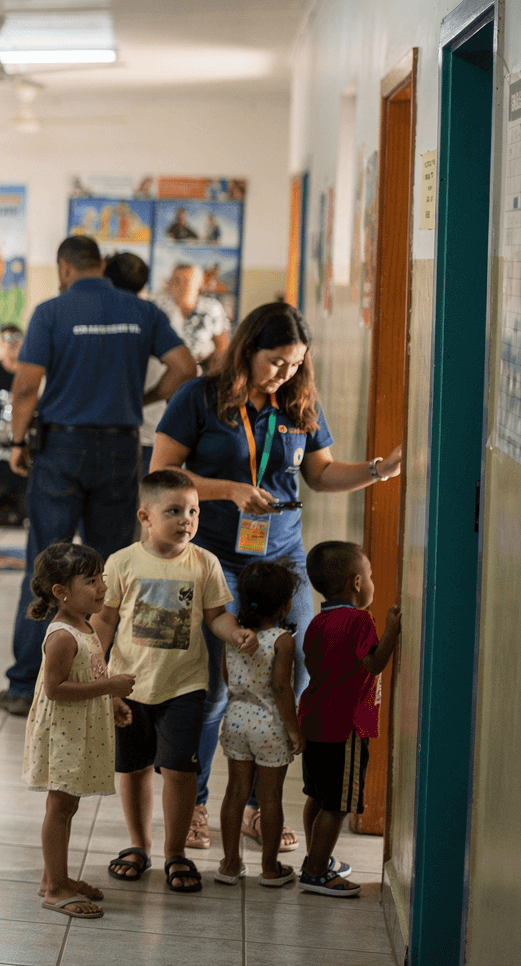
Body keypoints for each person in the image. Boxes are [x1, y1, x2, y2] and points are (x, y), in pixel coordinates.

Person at [152, 301, 403, 854]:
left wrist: (380, 470)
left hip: (283, 560)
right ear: (247, 352)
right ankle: (193, 804)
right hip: (218, 558)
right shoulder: (199, 397)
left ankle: (254, 806)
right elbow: (163, 473)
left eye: (295, 364)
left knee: (296, 680)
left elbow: (320, 473)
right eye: (275, 362)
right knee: (215, 688)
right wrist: (228, 489)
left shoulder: (298, 402)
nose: (284, 374)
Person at [0, 235, 197, 717]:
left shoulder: (50, 312)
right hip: (118, 447)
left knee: (46, 567)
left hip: (61, 448)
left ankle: (27, 686)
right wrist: (144, 399)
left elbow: (26, 385)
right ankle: (101, 684)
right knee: (108, 573)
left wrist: (17, 441)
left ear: (64, 267)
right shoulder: (142, 312)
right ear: (102, 264)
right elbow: (185, 368)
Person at [100, 468, 253, 895]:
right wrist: (97, 672)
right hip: (129, 686)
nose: (187, 520)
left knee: (181, 771)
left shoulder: (205, 563)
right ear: (145, 517)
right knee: (132, 769)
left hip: (185, 685)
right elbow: (105, 620)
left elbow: (216, 617)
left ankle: (174, 852)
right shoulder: (123, 563)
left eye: (193, 511)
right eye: (174, 511)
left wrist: (235, 631)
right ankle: (138, 845)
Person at [23, 542, 133, 920]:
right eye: (91, 580)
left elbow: (92, 672)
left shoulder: (84, 624)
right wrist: (110, 689)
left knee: (68, 806)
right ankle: (55, 890)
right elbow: (55, 689)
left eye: (101, 578)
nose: (102, 587)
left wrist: (112, 701)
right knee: (60, 807)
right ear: (61, 592)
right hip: (63, 735)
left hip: (80, 728)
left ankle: (54, 877)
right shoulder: (62, 636)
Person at [297, 541, 401, 896]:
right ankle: (315, 871)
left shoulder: (318, 621)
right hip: (345, 728)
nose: (372, 581)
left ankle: (316, 858)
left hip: (314, 720)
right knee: (339, 804)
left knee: (317, 795)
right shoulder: (360, 620)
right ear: (357, 583)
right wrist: (391, 630)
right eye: (370, 575)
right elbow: (373, 662)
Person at [215, 559, 305, 887]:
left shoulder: (235, 635)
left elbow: (227, 676)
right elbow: (281, 687)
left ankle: (229, 864)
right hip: (269, 726)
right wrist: (294, 729)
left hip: (236, 721)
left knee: (235, 792)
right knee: (270, 797)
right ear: (286, 604)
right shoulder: (282, 639)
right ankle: (269, 868)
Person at [100, 252, 160, 473]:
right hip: (150, 433)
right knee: (145, 506)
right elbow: (184, 369)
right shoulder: (155, 316)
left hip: (109, 434)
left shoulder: (99, 316)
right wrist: (144, 400)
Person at [152, 262, 233, 374]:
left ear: (200, 285)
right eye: (176, 281)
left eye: (187, 282)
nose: (181, 287)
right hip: (165, 372)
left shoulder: (212, 309)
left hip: (201, 373)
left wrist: (215, 375)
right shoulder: (158, 308)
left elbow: (222, 348)